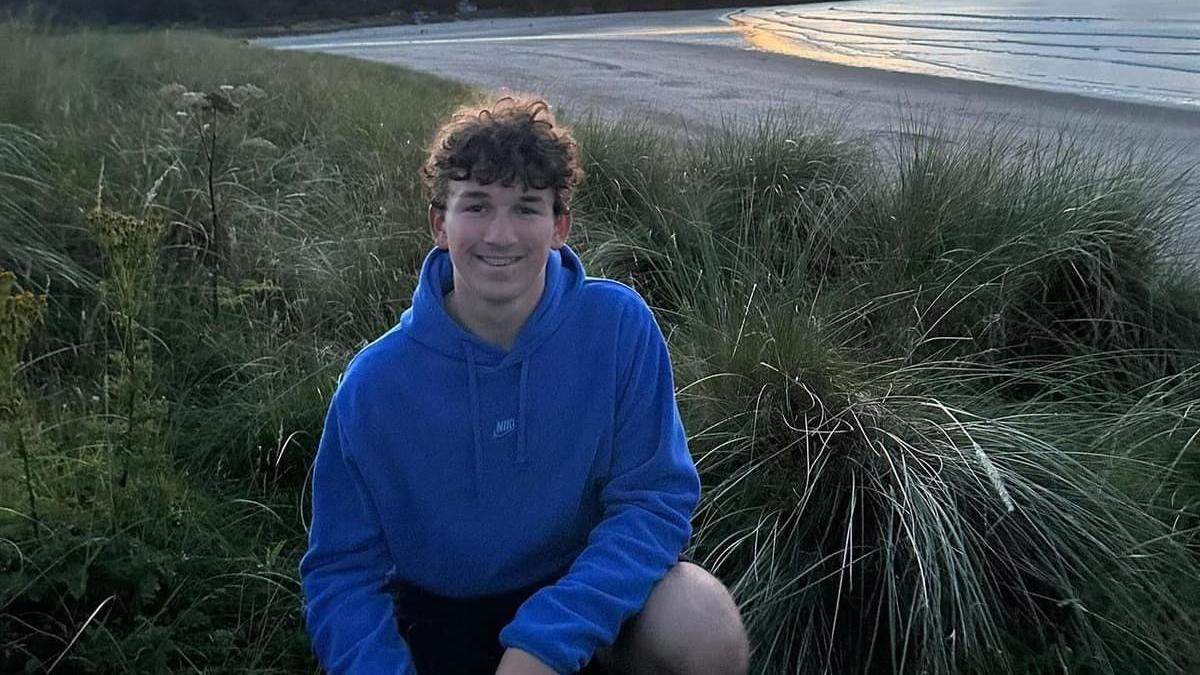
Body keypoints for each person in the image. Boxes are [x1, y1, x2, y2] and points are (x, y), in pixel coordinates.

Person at [299, 95, 750, 675]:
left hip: (585, 596)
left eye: (527, 208)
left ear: (559, 225)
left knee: (701, 620)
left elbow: (653, 501)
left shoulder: (616, 327)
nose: (501, 234)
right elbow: (342, 573)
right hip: (440, 615)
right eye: (477, 206)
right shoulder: (375, 384)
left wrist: (544, 643)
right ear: (441, 223)